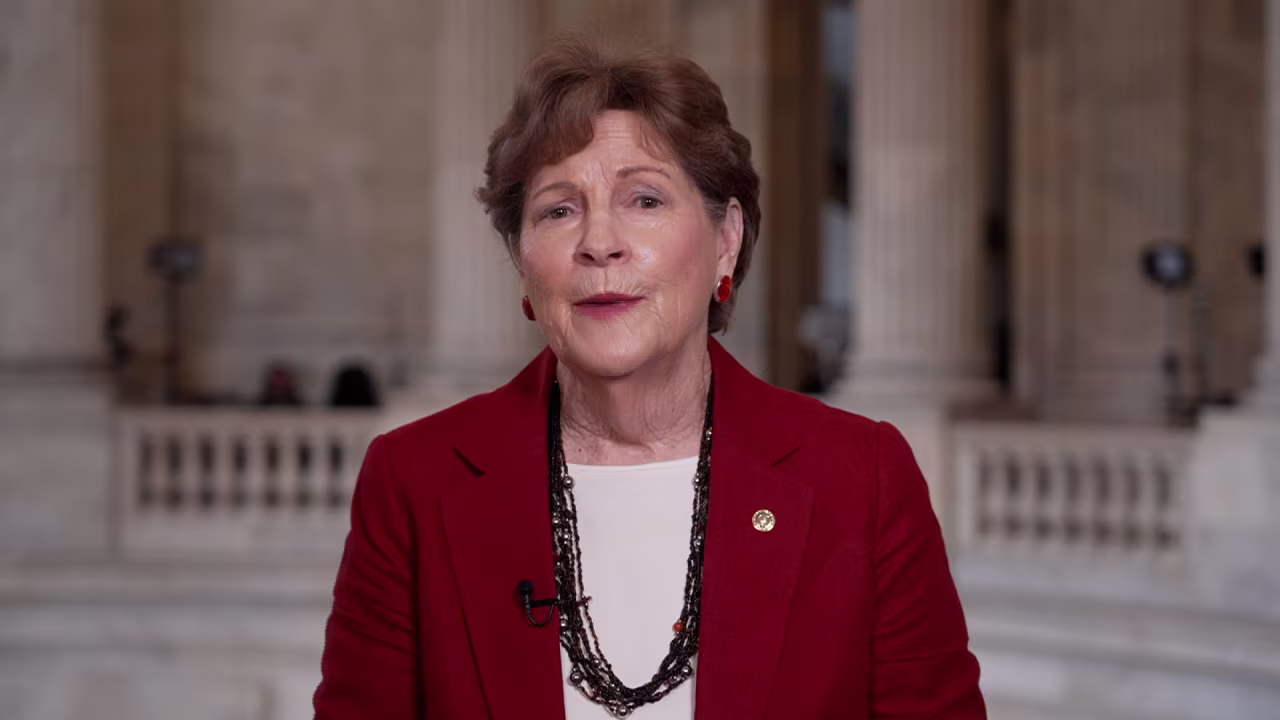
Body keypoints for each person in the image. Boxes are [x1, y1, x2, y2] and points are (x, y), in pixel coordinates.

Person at [314, 36, 985, 720]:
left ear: (725, 240)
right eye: (558, 209)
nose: (599, 241)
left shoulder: (862, 478)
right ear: (523, 261)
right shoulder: (414, 482)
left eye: (644, 200)